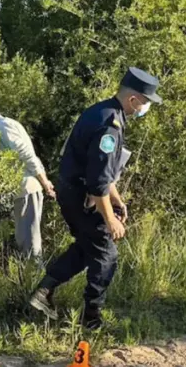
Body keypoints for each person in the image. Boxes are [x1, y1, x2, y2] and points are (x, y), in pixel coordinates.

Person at [28, 67, 162, 330]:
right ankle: (92, 319)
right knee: (106, 256)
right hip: (82, 198)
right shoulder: (109, 127)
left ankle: (43, 292)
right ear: (133, 99)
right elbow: (98, 182)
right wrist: (110, 219)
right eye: (145, 103)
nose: (145, 109)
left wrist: (118, 200)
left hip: (72, 192)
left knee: (88, 247)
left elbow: (104, 173)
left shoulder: (101, 111)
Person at [0, 102, 56, 260]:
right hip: (22, 189)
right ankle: (30, 277)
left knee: (29, 241)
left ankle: (35, 279)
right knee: (24, 238)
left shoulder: (4, 126)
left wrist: (45, 182)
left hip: (27, 188)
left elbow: (27, 155)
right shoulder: (0, 127)